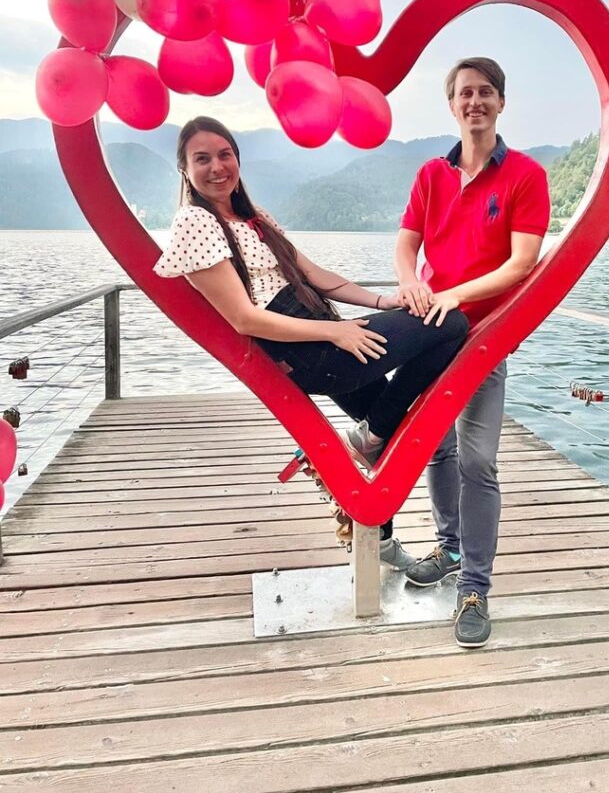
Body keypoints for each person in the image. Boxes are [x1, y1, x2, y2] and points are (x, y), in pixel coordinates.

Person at [154, 116, 469, 569]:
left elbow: (315, 276)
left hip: (325, 334)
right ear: (184, 168)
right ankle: (368, 440)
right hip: (308, 351)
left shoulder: (254, 219)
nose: (217, 167)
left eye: (225, 155)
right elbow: (244, 318)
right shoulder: (194, 222)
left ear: (238, 160)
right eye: (202, 158)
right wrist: (334, 332)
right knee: (451, 323)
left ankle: (377, 535)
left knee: (395, 420)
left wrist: (385, 299)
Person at [394, 58, 550, 647]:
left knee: (477, 460)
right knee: (435, 444)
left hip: (485, 337)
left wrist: (451, 294)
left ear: (501, 103)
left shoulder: (525, 176)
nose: (474, 101)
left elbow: (521, 264)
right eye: (465, 93)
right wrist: (411, 282)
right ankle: (452, 546)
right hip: (431, 331)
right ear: (452, 104)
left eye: (485, 92)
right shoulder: (432, 173)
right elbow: (407, 244)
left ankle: (475, 588)